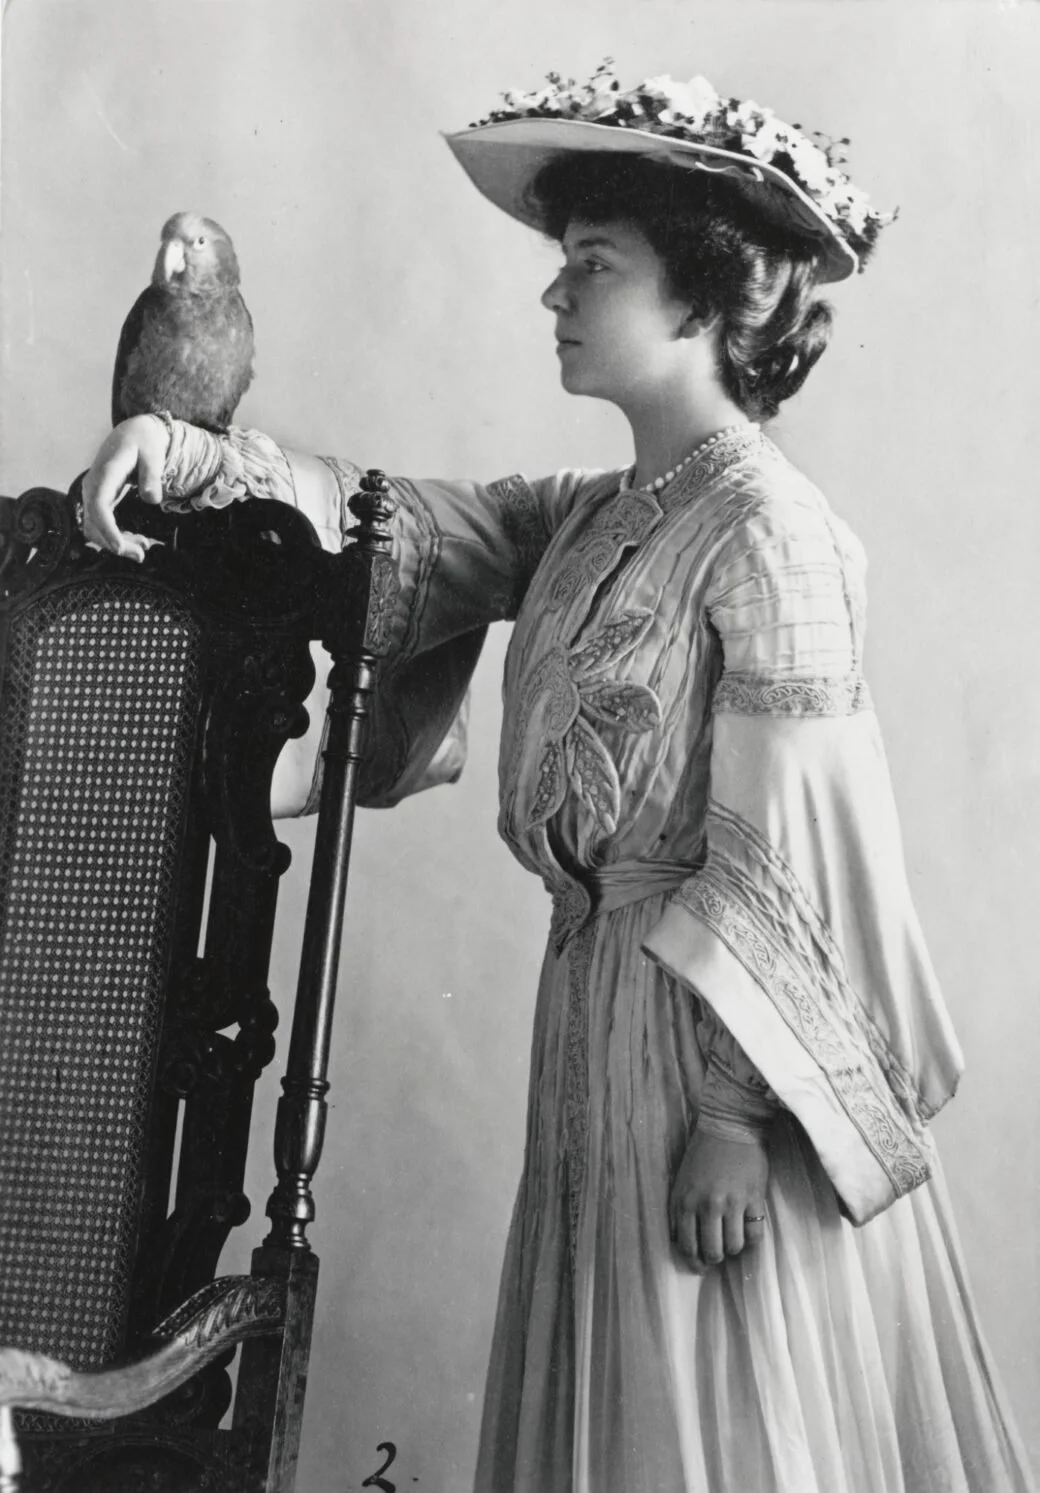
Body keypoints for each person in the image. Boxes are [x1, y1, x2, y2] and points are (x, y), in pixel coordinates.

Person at [81, 67, 1036, 1493]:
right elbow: (391, 525)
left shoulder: (771, 534)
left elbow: (795, 846)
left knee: (708, 1424)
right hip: (587, 1022)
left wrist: (728, 1119)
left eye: (594, 266)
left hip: (717, 1068)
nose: (556, 297)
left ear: (707, 296)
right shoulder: (592, 516)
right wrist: (197, 457)